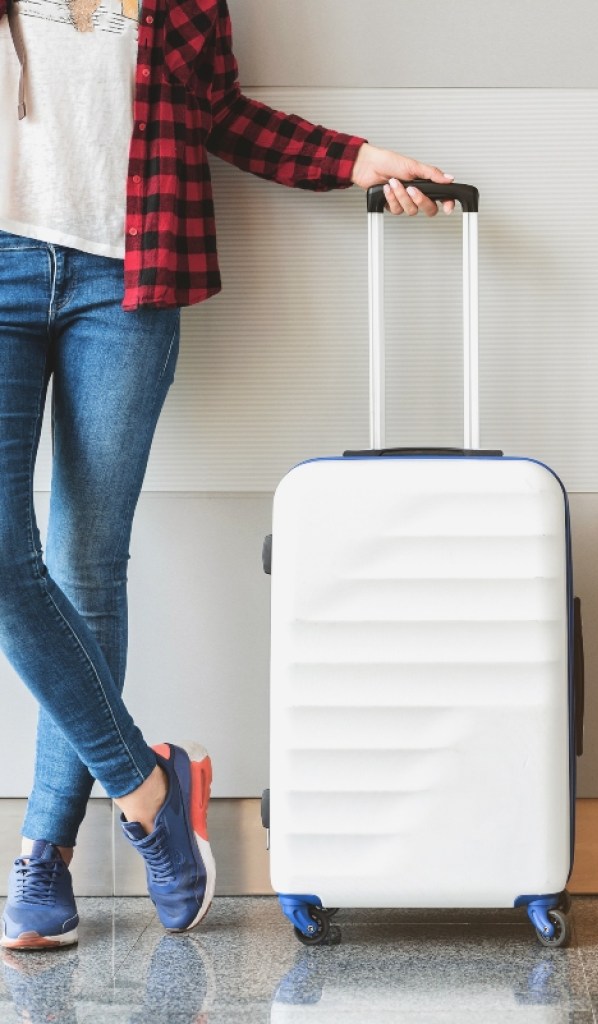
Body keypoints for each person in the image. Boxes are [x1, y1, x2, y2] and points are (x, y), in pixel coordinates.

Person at [0, 0, 454, 950]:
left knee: (88, 564)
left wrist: (353, 159)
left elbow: (223, 115)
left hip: (125, 285)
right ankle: (149, 785)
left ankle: (46, 849)